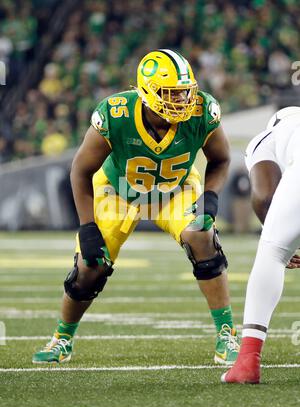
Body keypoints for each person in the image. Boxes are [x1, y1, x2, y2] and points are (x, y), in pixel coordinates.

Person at [32, 49, 239, 365]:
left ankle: (227, 334)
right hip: (117, 193)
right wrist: (87, 227)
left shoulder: (202, 110)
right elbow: (80, 170)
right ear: (147, 91)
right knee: (89, 267)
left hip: (174, 191)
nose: (182, 100)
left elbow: (221, 159)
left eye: (185, 92)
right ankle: (62, 338)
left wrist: (209, 198)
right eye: (171, 93)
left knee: (202, 235)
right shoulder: (117, 114)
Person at [221, 106, 300, 384]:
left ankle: (247, 363)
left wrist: (280, 238)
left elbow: (265, 196)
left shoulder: (267, 137)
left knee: (272, 253)